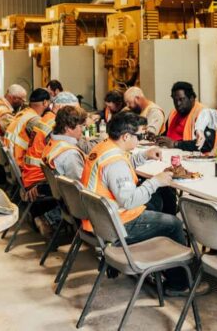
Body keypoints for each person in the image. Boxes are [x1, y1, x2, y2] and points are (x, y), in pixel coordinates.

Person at [80, 111, 204, 296]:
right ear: (126, 136)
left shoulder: (104, 148)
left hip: (100, 219)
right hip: (116, 225)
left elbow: (125, 162)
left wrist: (144, 155)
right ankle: (180, 284)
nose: (140, 140)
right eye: (139, 136)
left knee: (162, 198)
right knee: (173, 224)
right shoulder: (115, 163)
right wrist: (156, 181)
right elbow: (129, 200)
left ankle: (161, 266)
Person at [22, 92, 80, 188]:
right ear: (62, 108)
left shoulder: (48, 117)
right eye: (74, 111)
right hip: (38, 177)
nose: (77, 116)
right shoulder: (54, 124)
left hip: (31, 172)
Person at [156, 81, 216, 152]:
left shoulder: (204, 114)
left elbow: (206, 145)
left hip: (198, 159)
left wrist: (176, 144)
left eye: (181, 99)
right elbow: (166, 134)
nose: (178, 104)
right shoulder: (173, 113)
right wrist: (156, 138)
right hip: (171, 154)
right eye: (175, 100)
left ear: (191, 98)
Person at [5, 88, 51, 168]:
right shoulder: (34, 120)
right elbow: (49, 139)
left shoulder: (25, 113)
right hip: (20, 163)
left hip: (11, 161)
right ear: (45, 102)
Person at [43, 105, 88, 181]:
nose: (83, 130)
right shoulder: (71, 154)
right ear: (68, 128)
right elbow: (79, 186)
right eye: (81, 126)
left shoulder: (52, 141)